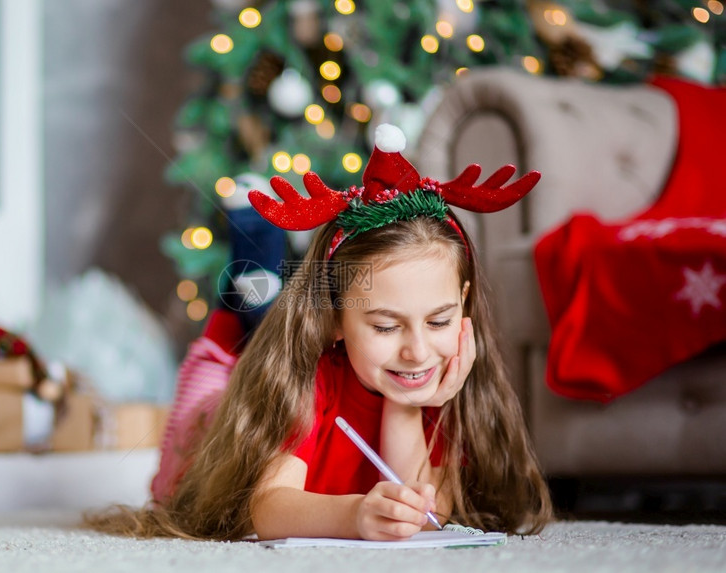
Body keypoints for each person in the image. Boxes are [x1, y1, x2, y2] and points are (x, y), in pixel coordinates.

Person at [86, 124, 553, 541]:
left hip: (317, 346)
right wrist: (353, 515)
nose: (418, 351)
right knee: (230, 337)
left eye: (439, 320)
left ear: (465, 303)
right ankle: (246, 252)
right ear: (333, 319)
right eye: (387, 325)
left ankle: (261, 275)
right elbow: (267, 506)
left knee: (265, 303)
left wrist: (407, 403)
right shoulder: (307, 385)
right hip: (212, 427)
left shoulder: (444, 381)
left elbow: (428, 504)